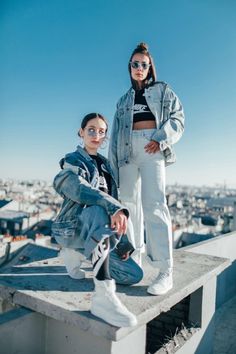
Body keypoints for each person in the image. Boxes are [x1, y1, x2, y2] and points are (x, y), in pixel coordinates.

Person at [52, 113, 143, 327]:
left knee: (134, 275)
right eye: (91, 129)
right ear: (81, 132)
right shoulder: (72, 161)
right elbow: (79, 189)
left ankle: (78, 253)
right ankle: (103, 296)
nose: (96, 135)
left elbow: (115, 202)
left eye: (101, 131)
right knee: (98, 211)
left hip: (98, 232)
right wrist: (112, 207)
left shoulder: (106, 166)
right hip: (72, 227)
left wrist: (124, 242)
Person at [109, 43, 185, 296]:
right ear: (129, 67)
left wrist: (161, 137)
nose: (139, 68)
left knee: (154, 205)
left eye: (144, 64)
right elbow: (115, 137)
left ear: (150, 67)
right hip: (127, 152)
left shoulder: (163, 90)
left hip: (153, 148)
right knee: (129, 206)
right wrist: (113, 169)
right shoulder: (123, 100)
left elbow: (178, 118)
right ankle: (134, 261)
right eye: (135, 64)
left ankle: (165, 271)